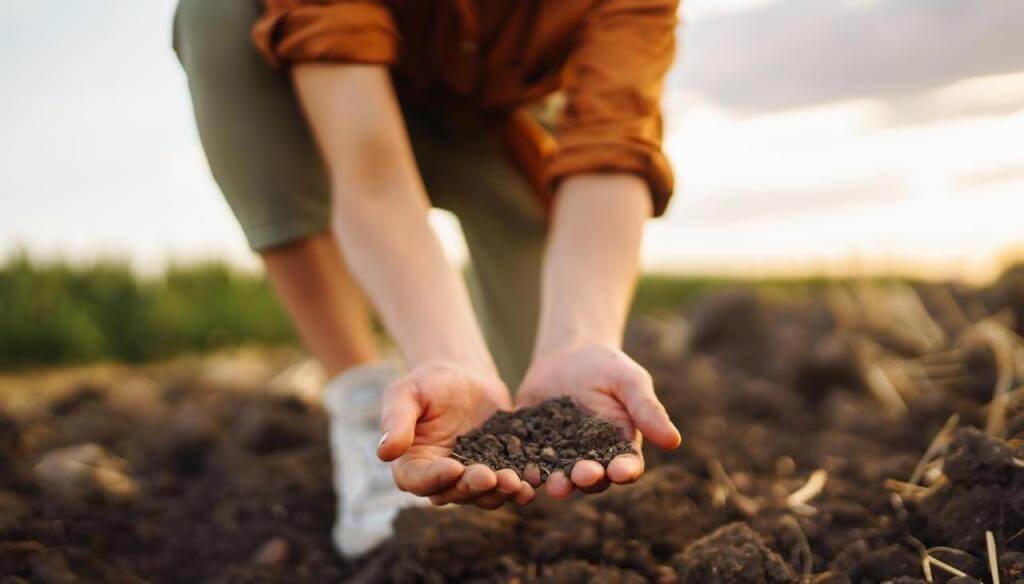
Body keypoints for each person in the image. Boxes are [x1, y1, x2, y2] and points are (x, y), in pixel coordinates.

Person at [173, 0, 683, 556]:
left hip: (494, 122)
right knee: (219, 15)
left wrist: (581, 337)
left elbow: (609, 151)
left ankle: (509, 368)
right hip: (342, 113)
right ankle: (365, 400)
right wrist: (444, 354)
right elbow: (369, 165)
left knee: (542, 404)